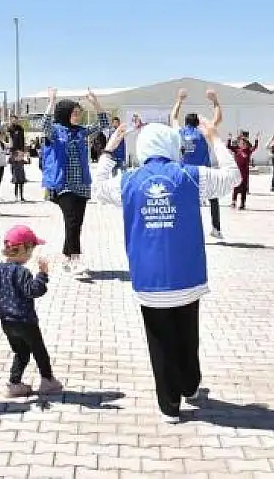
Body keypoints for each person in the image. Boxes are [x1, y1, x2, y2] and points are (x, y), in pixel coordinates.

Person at [92, 119, 240, 423]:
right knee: (188, 332)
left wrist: (109, 148)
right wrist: (214, 139)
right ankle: (190, 385)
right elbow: (232, 177)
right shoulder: (190, 175)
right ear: (172, 144)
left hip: (148, 278)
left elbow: (97, 187)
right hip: (187, 273)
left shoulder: (129, 181)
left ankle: (169, 405)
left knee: (159, 340)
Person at [0, 225, 63, 397]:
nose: (31, 255)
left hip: (6, 321)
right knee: (39, 350)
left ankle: (14, 383)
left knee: (21, 352)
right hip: (25, 321)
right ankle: (47, 380)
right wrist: (42, 275)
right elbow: (33, 291)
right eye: (31, 250)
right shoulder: (22, 272)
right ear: (23, 250)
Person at [40, 88, 110, 270]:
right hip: (63, 185)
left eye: (79, 113)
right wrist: (52, 101)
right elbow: (44, 124)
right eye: (74, 113)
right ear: (64, 114)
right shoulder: (55, 132)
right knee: (71, 220)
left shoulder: (81, 132)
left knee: (76, 223)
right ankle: (76, 260)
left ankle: (67, 255)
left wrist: (95, 102)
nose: (78, 116)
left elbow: (103, 123)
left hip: (82, 185)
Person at [171, 88, 225, 239]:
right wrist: (215, 101)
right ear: (198, 123)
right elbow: (218, 119)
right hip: (204, 172)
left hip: (186, 173)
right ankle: (216, 228)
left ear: (186, 122)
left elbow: (173, 117)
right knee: (213, 198)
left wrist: (179, 100)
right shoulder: (204, 132)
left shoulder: (180, 132)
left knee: (184, 201)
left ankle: (184, 230)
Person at [228, 133, 258, 210]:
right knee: (236, 187)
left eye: (244, 143)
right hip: (237, 172)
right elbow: (229, 146)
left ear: (247, 144)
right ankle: (233, 202)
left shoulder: (248, 151)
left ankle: (242, 204)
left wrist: (256, 138)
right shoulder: (237, 150)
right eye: (241, 143)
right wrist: (230, 138)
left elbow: (255, 147)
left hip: (244, 173)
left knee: (244, 189)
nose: (242, 144)